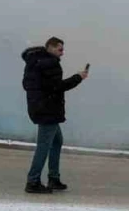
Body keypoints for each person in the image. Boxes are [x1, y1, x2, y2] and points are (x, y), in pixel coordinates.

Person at [21, 37, 88, 193]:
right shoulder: (50, 64)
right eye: (60, 49)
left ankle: (53, 178)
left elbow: (29, 85)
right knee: (44, 146)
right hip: (48, 110)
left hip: (39, 107)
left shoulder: (34, 61)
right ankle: (33, 181)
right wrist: (78, 78)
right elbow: (57, 87)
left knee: (56, 141)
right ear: (50, 48)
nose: (62, 53)